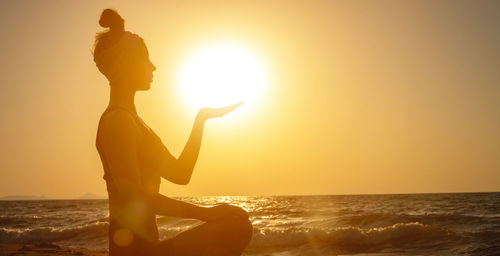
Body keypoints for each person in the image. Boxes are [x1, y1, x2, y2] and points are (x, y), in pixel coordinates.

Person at [92, 8, 252, 256]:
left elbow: (180, 173)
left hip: (151, 247)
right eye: (145, 59)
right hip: (134, 252)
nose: (153, 67)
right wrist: (205, 213)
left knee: (237, 219)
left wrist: (201, 119)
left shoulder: (134, 121)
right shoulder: (117, 122)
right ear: (126, 64)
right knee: (235, 227)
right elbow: (137, 198)